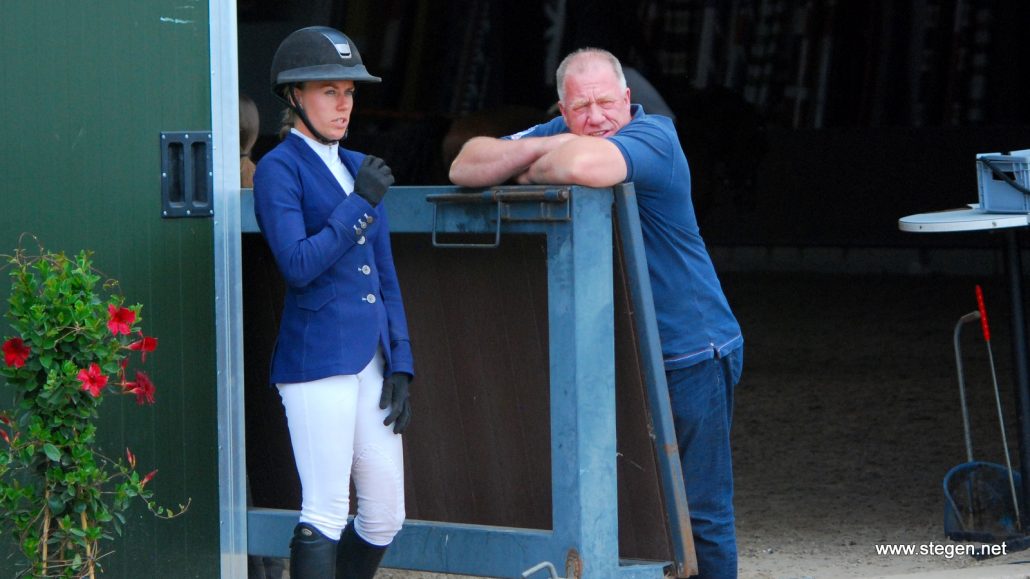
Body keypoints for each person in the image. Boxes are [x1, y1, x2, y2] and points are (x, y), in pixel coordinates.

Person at [449, 48, 743, 579]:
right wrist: (551, 143)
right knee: (630, 514)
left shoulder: (655, 137)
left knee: (699, 516)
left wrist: (544, 152)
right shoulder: (565, 128)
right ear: (560, 106)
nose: (596, 117)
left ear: (628, 99)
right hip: (617, 357)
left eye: (607, 102)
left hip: (691, 352)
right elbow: (464, 162)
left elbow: (579, 164)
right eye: (580, 107)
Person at [253, 26, 414, 579]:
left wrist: (403, 364)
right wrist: (357, 203)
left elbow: (385, 275)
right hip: (315, 359)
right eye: (329, 91)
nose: (343, 105)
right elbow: (297, 264)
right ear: (295, 97)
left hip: (371, 361)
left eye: (349, 92)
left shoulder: (357, 164)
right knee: (326, 508)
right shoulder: (279, 167)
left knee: (386, 515)